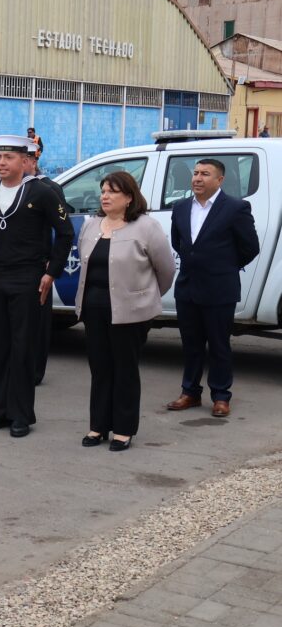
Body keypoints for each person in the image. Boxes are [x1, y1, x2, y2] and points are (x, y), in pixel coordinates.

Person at [0, 135, 73, 438]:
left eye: (8, 158)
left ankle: (21, 414)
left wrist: (51, 273)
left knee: (21, 348)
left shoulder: (41, 192)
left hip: (27, 277)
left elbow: (65, 233)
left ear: (24, 161)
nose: (1, 163)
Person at [76, 172, 176, 452]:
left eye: (113, 191)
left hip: (130, 313)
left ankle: (123, 429)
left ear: (129, 197)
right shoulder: (92, 225)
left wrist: (145, 298)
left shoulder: (146, 227)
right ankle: (98, 426)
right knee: (100, 368)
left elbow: (165, 270)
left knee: (125, 370)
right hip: (95, 310)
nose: (105, 196)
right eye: (103, 191)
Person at [166, 159, 259, 417]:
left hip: (220, 289)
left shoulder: (236, 208)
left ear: (219, 180)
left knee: (219, 345)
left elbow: (250, 247)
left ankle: (220, 396)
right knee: (191, 344)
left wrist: (225, 266)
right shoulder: (181, 207)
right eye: (195, 173)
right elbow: (179, 242)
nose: (197, 178)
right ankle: (190, 392)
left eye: (205, 174)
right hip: (188, 288)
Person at [25, 142, 76, 385]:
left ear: (33, 162)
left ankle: (34, 371)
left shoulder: (48, 188)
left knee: (37, 322)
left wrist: (52, 263)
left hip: (39, 263)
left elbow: (62, 229)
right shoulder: (3, 188)